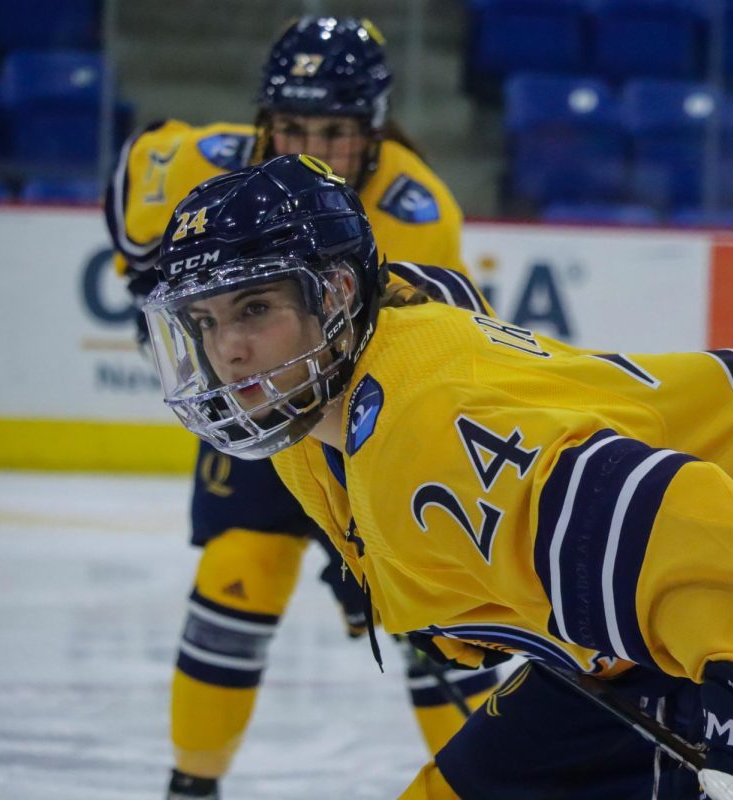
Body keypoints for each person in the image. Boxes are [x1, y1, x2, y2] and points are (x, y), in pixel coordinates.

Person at [142, 154, 733, 800]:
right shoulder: (312, 410)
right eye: (206, 322)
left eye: (255, 309)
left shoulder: (423, 429)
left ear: (338, 294)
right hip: (660, 618)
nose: (229, 351)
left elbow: (674, 512)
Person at [102, 17, 498, 800]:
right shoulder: (206, 163)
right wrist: (154, 271)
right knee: (237, 576)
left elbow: (415, 371)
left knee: (431, 613)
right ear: (263, 120)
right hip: (256, 405)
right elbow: (138, 185)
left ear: (374, 129)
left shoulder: (416, 217)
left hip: (362, 420)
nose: (306, 147)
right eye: (290, 126)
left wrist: (362, 534)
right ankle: (192, 784)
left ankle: (491, 782)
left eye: (334, 130)